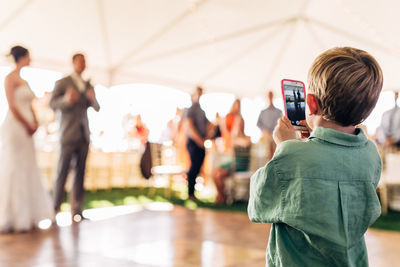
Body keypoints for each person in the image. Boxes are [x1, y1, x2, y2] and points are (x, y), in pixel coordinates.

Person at [248, 47, 383, 266]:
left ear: (310, 103)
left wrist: (285, 145)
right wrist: (316, 139)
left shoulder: (292, 154)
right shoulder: (370, 154)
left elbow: (257, 205)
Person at [0, 45, 53, 232]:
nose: (31, 59)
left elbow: (31, 105)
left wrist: (35, 122)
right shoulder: (10, 79)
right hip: (15, 128)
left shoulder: (24, 80)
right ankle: (9, 216)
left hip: (28, 130)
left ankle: (28, 214)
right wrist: (27, 124)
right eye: (29, 56)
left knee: (28, 167)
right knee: (13, 166)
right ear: (22, 57)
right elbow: (13, 107)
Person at [50, 53, 100, 222]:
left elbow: (97, 107)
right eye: (80, 61)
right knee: (62, 172)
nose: (83, 64)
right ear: (73, 63)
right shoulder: (63, 82)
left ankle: (76, 209)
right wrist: (66, 99)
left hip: (83, 134)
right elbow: (52, 104)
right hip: (68, 134)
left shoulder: (88, 84)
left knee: (80, 173)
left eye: (85, 61)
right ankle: (54, 210)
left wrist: (92, 99)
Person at [212, 99, 251, 204]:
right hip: (233, 163)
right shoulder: (235, 138)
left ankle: (221, 198)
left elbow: (241, 142)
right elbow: (229, 139)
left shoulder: (246, 139)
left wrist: (236, 125)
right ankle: (222, 196)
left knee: (218, 175)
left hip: (239, 165)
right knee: (214, 173)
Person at [185, 86, 214, 201]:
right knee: (193, 167)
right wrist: (199, 141)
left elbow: (208, 126)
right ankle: (190, 194)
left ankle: (193, 194)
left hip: (201, 142)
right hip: (194, 142)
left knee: (198, 167)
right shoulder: (191, 109)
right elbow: (190, 127)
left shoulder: (202, 110)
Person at [256, 91, 282, 158]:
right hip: (266, 136)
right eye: (269, 96)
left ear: (273, 96)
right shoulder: (263, 112)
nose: (270, 97)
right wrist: (265, 130)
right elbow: (258, 123)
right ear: (266, 97)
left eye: (271, 95)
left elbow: (281, 122)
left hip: (275, 135)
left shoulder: (278, 112)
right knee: (266, 148)